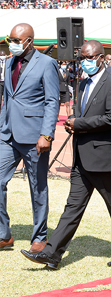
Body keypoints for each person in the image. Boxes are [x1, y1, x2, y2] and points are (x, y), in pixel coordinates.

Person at [21, 40, 111, 269]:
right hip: (82, 157)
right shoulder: (82, 83)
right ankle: (52, 254)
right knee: (72, 207)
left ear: (101, 57)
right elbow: (80, 110)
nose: (85, 62)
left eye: (90, 58)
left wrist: (79, 123)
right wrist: (74, 121)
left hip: (105, 159)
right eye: (82, 58)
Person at [0, 23, 58, 252]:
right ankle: (4, 235)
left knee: (38, 187)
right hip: (7, 135)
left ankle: (39, 237)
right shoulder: (8, 62)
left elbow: (52, 101)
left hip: (35, 137)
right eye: (10, 40)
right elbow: (7, 97)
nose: (12, 44)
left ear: (29, 41)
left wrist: (46, 134)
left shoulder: (47, 63)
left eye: (16, 40)